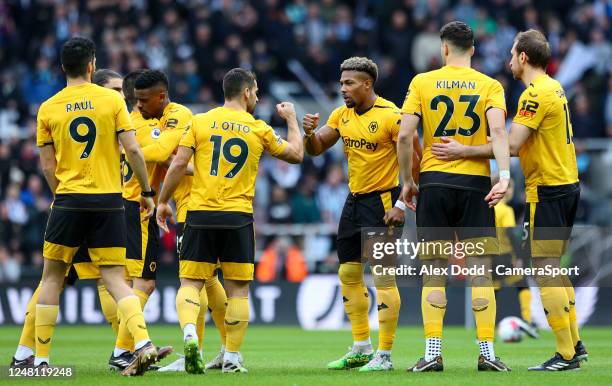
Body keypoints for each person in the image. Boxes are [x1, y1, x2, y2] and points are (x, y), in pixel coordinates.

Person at [429, 29, 587, 371]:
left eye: (512, 54)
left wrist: (463, 149)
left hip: (547, 189)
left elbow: (511, 145)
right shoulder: (554, 87)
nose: (509, 60)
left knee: (544, 270)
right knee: (554, 269)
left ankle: (566, 355)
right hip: (566, 184)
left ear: (523, 58)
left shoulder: (534, 96)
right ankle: (575, 343)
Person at [156, 68, 303, 374]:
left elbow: (179, 164)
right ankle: (232, 358)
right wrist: (291, 119)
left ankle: (189, 336)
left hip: (199, 213)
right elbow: (296, 155)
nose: (258, 97)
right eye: (257, 91)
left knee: (190, 283)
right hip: (238, 217)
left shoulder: (199, 121)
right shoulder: (258, 128)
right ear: (247, 92)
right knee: (238, 290)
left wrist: (162, 202)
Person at [34, 37, 158, 376]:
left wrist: (63, 194)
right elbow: (133, 151)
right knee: (117, 279)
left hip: (69, 199)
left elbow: (47, 166)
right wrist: (146, 191)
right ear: (92, 64)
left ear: (63, 67)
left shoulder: (48, 107)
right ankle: (143, 343)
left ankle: (41, 362)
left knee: (51, 278)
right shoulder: (112, 101)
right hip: (109, 200)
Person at [397, 21, 511, 372]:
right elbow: (497, 132)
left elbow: (404, 137)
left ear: (443, 48)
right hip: (475, 184)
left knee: (433, 271)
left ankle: (432, 353)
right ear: (472, 49)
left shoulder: (422, 82)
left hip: (433, 183)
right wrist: (504, 176)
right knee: (480, 271)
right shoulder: (490, 85)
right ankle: (488, 354)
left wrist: (407, 182)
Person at [302, 57, 421, 372]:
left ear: (367, 84)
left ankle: (385, 355)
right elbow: (316, 148)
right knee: (348, 274)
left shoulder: (391, 116)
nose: (343, 89)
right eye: (341, 83)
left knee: (383, 277)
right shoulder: (341, 114)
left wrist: (401, 202)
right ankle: (361, 347)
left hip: (383, 202)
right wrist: (309, 134)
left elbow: (417, 157)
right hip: (353, 202)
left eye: (349, 83)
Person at [9, 69, 126, 371]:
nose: (121, 96)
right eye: (115, 89)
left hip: (71, 205)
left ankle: (25, 353)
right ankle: (125, 349)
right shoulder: (110, 116)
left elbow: (50, 166)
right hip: (97, 207)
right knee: (73, 279)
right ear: (96, 88)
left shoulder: (60, 109)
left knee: (57, 280)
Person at [131, 69, 230, 372]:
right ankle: (221, 351)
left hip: (192, 207)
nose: (138, 106)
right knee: (207, 278)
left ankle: (202, 349)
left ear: (161, 96)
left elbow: (164, 154)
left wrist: (125, 149)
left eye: (144, 100)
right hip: (194, 205)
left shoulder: (180, 115)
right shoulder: (153, 120)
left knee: (194, 281)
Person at [107, 69, 173, 371]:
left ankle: (126, 348)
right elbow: (161, 152)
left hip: (120, 206)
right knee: (142, 284)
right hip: (138, 208)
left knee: (130, 282)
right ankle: (124, 350)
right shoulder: (143, 127)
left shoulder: (123, 126)